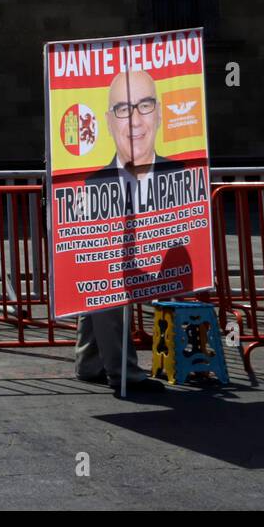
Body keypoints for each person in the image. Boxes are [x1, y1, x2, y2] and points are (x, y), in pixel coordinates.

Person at [76, 69, 168, 395]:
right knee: (107, 289)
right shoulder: (89, 181)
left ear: (158, 113)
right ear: (109, 120)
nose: (135, 120)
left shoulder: (176, 172)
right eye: (123, 109)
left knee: (100, 291)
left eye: (144, 106)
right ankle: (124, 372)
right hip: (107, 238)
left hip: (149, 242)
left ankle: (90, 362)